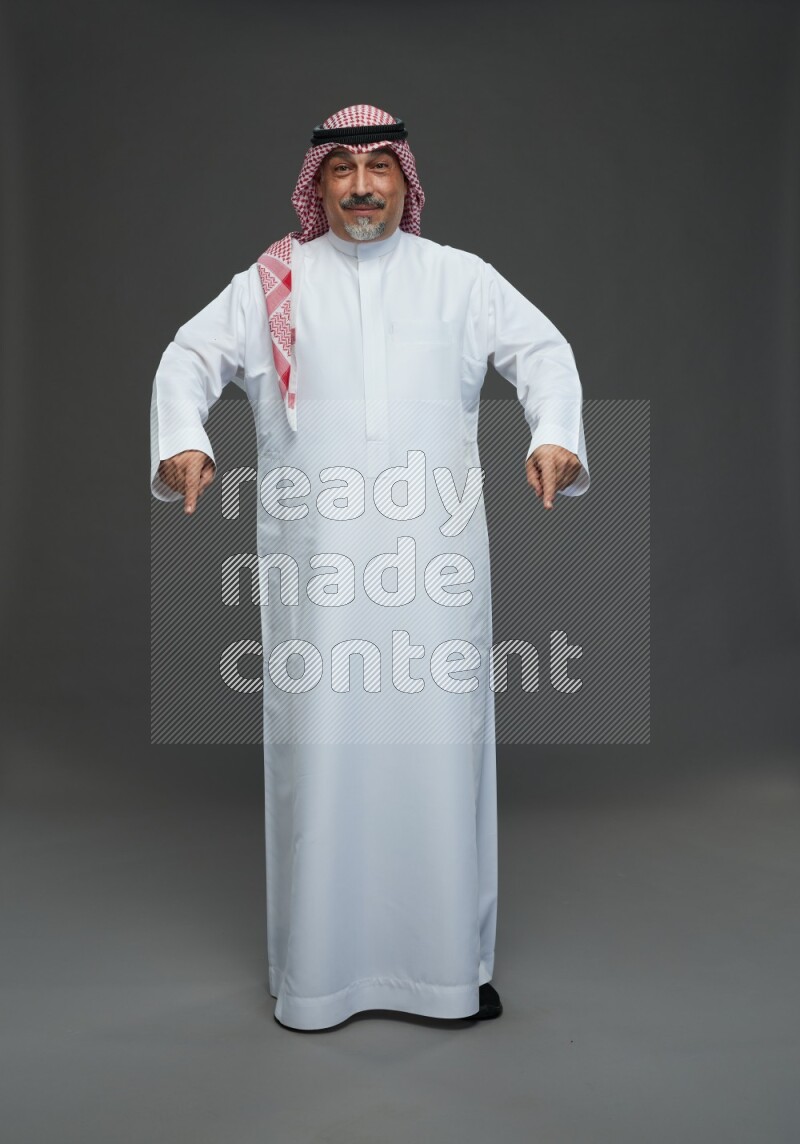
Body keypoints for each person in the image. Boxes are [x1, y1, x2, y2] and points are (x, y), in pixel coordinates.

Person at [150, 103, 590, 1031]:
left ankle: (447, 973)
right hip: (317, 578)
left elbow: (543, 355)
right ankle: (317, 974)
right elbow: (189, 359)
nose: (360, 186)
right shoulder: (272, 282)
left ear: (405, 180)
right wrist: (183, 440)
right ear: (318, 184)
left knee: (443, 754)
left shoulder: (459, 281)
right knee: (323, 756)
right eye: (343, 168)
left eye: (379, 167)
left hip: (435, 571)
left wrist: (553, 436)